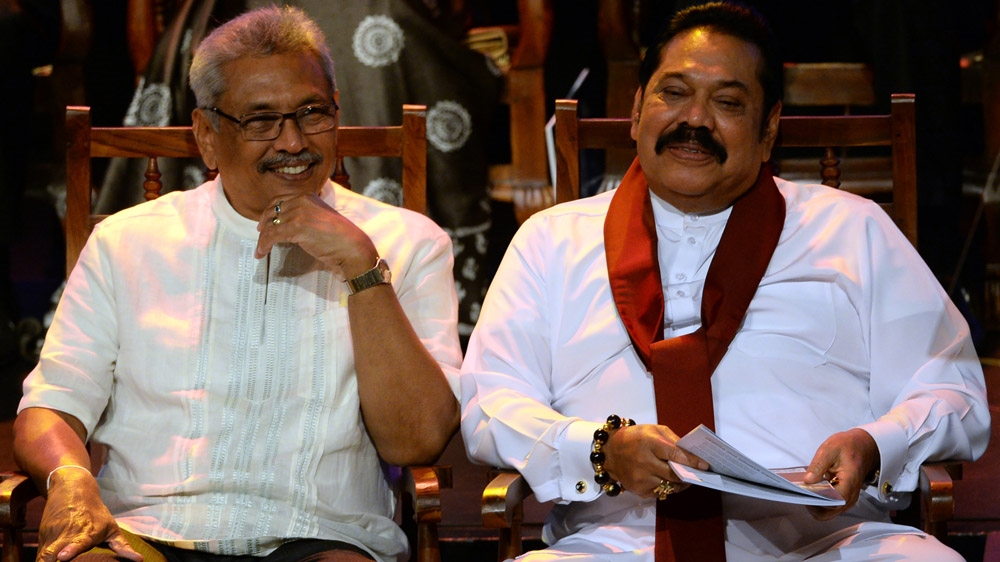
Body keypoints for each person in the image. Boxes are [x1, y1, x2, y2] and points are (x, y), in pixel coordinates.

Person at [459, 2, 990, 560]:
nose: (695, 119)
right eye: (673, 93)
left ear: (769, 130)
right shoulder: (550, 241)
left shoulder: (854, 229)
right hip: (615, 544)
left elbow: (953, 391)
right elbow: (490, 402)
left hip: (827, 542)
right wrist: (599, 450)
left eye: (728, 102)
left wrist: (874, 445)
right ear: (636, 111)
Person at [14, 6, 462, 562]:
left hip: (320, 537)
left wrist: (361, 268)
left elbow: (417, 440)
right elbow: (51, 407)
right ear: (207, 135)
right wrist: (69, 478)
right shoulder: (128, 243)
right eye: (260, 121)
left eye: (312, 113)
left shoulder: (408, 243)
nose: (292, 141)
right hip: (147, 535)